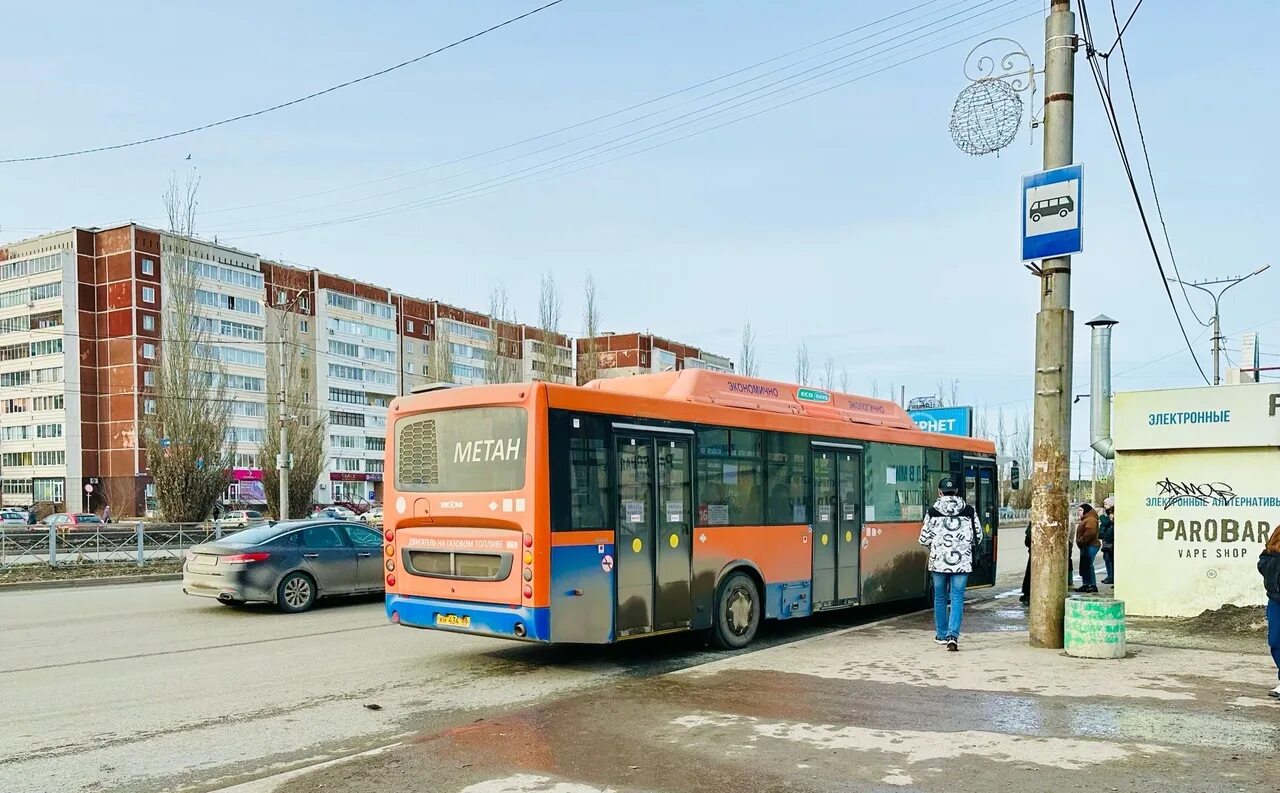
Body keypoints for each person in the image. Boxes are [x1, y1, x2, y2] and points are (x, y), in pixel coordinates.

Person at [919, 477, 982, 651]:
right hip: (962, 562)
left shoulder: (932, 512)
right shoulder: (969, 511)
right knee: (957, 598)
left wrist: (937, 544)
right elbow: (979, 536)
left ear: (939, 492)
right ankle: (952, 636)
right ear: (956, 492)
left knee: (940, 598)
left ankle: (941, 634)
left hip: (939, 563)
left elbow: (923, 538)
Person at [1258, 526, 1280, 699]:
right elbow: (1263, 560)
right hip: (1276, 600)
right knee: (1275, 641)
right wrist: (1268, 570)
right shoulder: (1273, 545)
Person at [1074, 503, 1100, 593]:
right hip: (1086, 545)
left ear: (1086, 511)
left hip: (1091, 545)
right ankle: (1086, 584)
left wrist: (1082, 540)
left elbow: (1091, 532)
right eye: (1078, 510)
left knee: (1088, 565)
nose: (1079, 512)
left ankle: (1092, 585)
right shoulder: (1086, 519)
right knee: (1085, 565)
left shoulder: (1091, 519)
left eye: (1081, 510)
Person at [1098, 496, 1115, 585]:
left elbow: (1107, 523)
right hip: (1105, 538)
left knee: (1110, 559)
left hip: (1109, 539)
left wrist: (1101, 516)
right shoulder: (1107, 513)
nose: (1104, 506)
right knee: (1106, 558)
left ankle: (1111, 576)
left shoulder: (1112, 513)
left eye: (1106, 504)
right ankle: (1109, 576)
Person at [1019, 522, 1031, 605]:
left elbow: (1027, 541)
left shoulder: (1033, 523)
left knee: (1030, 575)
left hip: (1034, 556)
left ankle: (1027, 595)